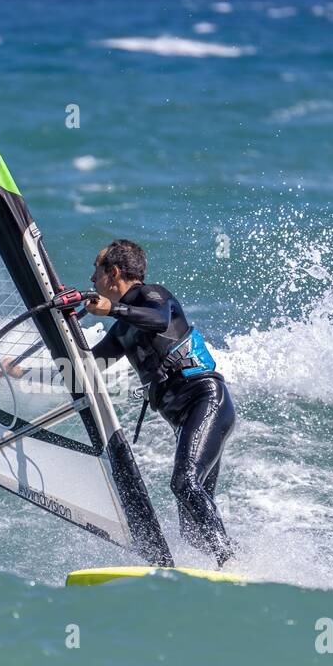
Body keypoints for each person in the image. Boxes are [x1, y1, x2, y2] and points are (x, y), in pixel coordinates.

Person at [85, 240, 236, 566]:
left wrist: (111, 309)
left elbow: (157, 321)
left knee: (185, 483)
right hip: (186, 421)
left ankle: (230, 562)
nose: (91, 281)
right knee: (190, 528)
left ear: (113, 273)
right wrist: (23, 371)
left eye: (95, 273)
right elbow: (82, 369)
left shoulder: (153, 295)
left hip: (207, 399)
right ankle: (214, 573)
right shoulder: (122, 331)